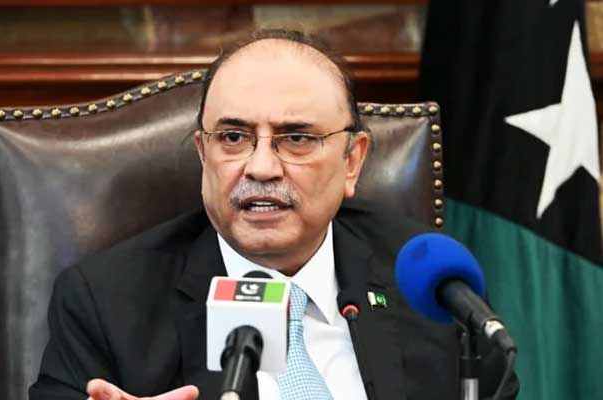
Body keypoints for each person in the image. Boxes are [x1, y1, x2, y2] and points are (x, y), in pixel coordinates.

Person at [29, 30, 518, 400]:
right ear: (203, 154)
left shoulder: (435, 289)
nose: (261, 167)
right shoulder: (105, 304)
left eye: (297, 138)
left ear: (352, 161)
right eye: (233, 137)